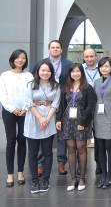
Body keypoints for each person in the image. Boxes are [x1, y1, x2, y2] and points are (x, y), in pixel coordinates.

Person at [32, 40, 72, 176]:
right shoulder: (40, 63)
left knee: (61, 131)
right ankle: (40, 163)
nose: (55, 49)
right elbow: (34, 80)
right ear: (49, 50)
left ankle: (61, 162)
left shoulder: (68, 64)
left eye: (57, 47)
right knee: (42, 131)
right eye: (52, 47)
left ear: (61, 50)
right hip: (44, 102)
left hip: (63, 100)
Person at [56, 64, 96, 191]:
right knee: (71, 149)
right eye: (73, 71)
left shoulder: (88, 88)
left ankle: (82, 178)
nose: (75, 73)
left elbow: (91, 106)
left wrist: (83, 122)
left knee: (81, 147)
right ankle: (73, 179)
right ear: (70, 74)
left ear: (81, 73)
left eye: (78, 71)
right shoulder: (66, 87)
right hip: (67, 122)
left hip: (81, 121)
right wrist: (58, 119)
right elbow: (61, 105)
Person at [24, 60, 61, 194]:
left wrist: (46, 119)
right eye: (42, 70)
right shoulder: (30, 85)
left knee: (48, 153)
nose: (45, 73)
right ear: (38, 71)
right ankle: (34, 181)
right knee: (33, 154)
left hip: (49, 120)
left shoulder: (56, 86)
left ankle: (45, 180)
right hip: (33, 120)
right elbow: (29, 103)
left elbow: (55, 104)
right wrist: (40, 118)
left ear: (51, 72)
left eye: (48, 70)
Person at [0, 49, 32, 187]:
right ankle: (10, 174)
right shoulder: (5, 76)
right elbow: (3, 95)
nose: (20, 60)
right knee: (11, 140)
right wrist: (13, 109)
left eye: (23, 58)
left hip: (25, 112)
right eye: (18, 58)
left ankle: (20, 172)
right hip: (9, 112)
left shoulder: (29, 75)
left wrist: (24, 108)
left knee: (22, 139)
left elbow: (31, 94)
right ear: (12, 59)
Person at [94, 57, 111, 189]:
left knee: (109, 148)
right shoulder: (96, 82)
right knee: (100, 149)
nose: (104, 69)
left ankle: (109, 176)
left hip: (110, 118)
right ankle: (103, 175)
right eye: (102, 66)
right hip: (98, 118)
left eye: (107, 66)